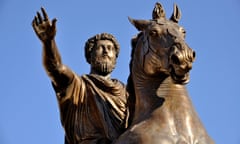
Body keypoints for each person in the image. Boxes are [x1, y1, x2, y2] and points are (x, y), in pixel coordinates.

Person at [32, 7, 129, 144]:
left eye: (110, 48)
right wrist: (48, 42)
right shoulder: (77, 85)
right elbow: (56, 69)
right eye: (101, 48)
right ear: (90, 55)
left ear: (115, 59)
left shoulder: (127, 93)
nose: (106, 51)